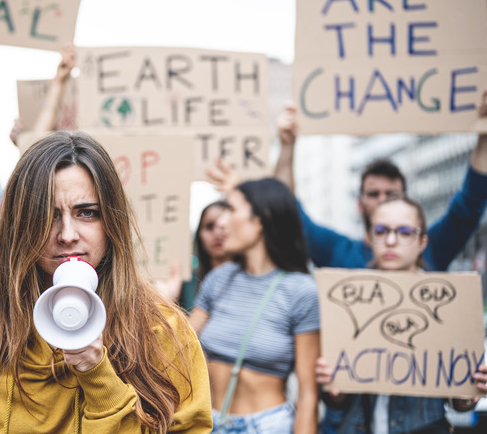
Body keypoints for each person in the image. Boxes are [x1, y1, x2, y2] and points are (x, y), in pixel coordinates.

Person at [0, 131, 212, 433]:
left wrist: (98, 376)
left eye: (87, 213)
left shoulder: (163, 330)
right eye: (48, 216)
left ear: (111, 222)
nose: (67, 234)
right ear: (21, 226)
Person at [315, 196, 487, 433]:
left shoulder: (447, 304)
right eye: (381, 230)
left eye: (405, 232)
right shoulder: (346, 299)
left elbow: (459, 403)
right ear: (370, 237)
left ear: (422, 241)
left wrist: (470, 391)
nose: (391, 240)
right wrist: (333, 388)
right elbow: (337, 399)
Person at [273, 91, 487, 272]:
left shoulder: (433, 247)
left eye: (392, 195)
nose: (383, 201)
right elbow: (287, 214)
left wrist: (484, 133)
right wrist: (287, 146)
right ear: (359, 204)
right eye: (374, 194)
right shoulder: (337, 252)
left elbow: (470, 203)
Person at [188, 178, 320, 433]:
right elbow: (179, 342)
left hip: (266, 426)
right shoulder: (219, 279)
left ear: (261, 221)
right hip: (209, 422)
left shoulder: (301, 290)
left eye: (232, 210)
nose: (222, 222)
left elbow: (307, 394)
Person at [175, 201, 231, 311]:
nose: (217, 232)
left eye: (225, 226)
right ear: (199, 234)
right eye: (209, 226)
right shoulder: (186, 281)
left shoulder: (249, 279)